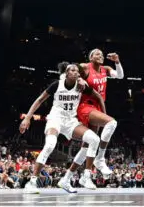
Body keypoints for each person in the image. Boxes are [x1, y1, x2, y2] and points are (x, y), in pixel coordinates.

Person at [20, 64, 105, 193]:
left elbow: (98, 97)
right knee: (50, 145)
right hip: (56, 119)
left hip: (71, 121)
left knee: (94, 139)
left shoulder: (81, 85)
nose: (75, 72)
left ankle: (75, 178)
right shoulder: (56, 84)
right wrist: (27, 118)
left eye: (77, 71)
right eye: (72, 70)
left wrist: (103, 115)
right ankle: (32, 182)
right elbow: (40, 100)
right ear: (66, 73)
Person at [69, 49, 123, 182]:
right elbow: (70, 71)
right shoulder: (84, 67)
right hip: (85, 106)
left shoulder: (105, 69)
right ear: (91, 57)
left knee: (87, 145)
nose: (101, 56)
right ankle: (100, 159)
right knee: (112, 123)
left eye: (102, 54)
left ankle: (69, 177)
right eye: (97, 54)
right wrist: (80, 79)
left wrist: (117, 62)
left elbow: (120, 76)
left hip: (97, 107)